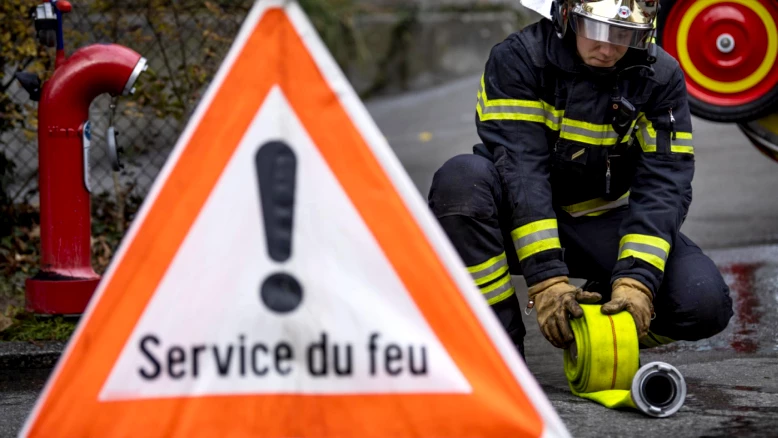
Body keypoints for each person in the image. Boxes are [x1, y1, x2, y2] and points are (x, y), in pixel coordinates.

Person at [428, 0, 733, 357]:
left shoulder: (659, 76)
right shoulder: (519, 59)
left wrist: (637, 281)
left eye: (624, 34)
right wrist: (547, 281)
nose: (607, 49)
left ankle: (597, 335)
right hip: (515, 216)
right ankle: (499, 351)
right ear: (565, 16)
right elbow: (523, 172)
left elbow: (664, 184)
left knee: (704, 304)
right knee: (461, 182)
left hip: (598, 218)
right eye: (597, 31)